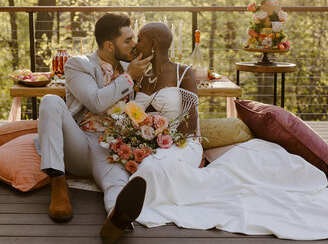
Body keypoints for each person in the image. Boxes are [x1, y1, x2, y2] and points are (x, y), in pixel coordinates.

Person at [128, 22, 328, 240]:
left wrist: (165, 141)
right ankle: (134, 201)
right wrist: (144, 140)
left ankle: (134, 206)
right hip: (154, 141)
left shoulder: (183, 72)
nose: (136, 45)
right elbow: (137, 117)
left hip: (184, 141)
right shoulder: (142, 78)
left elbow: (190, 122)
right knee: (149, 163)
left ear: (154, 44)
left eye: (140, 39)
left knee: (157, 165)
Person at [34, 13, 151, 244]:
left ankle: (117, 219)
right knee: (49, 100)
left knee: (117, 185)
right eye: (127, 40)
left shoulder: (132, 67)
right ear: (109, 45)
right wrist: (129, 78)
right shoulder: (79, 65)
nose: (134, 44)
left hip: (111, 148)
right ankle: (58, 182)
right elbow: (95, 101)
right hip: (79, 141)